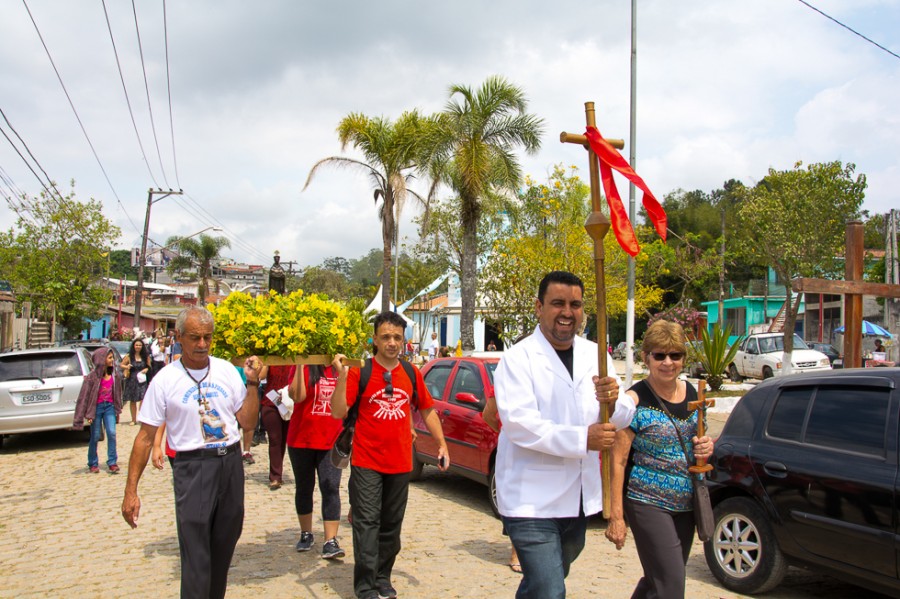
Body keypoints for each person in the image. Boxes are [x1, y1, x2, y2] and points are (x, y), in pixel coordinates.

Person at [494, 270, 635, 599]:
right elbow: (520, 424)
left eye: (575, 304)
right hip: (531, 500)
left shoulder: (595, 356)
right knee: (549, 588)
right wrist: (582, 439)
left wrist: (613, 400)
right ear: (539, 307)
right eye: (558, 303)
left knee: (545, 582)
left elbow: (623, 415)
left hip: (578, 499)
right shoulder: (518, 359)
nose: (567, 312)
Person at [121, 306, 262, 599]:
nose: (202, 344)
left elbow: (248, 422)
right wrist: (131, 491)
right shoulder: (165, 380)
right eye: (195, 337)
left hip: (230, 464)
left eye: (207, 337)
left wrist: (251, 383)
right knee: (196, 552)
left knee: (225, 543)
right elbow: (145, 438)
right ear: (179, 336)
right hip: (193, 466)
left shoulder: (226, 371)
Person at [331, 311, 450, 599]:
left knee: (391, 526)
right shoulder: (361, 371)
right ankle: (365, 585)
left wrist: (442, 444)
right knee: (367, 523)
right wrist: (341, 377)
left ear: (404, 340)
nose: (392, 342)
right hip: (367, 462)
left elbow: (427, 410)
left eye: (397, 337)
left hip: (400, 463)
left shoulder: (410, 373)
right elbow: (337, 412)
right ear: (375, 339)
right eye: (386, 337)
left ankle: (383, 577)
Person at [605, 320, 715, 599]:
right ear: (646, 358)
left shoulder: (693, 393)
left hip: (687, 503)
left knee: (659, 580)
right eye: (659, 355)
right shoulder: (634, 401)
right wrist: (616, 516)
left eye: (675, 355)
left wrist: (706, 447)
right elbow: (618, 460)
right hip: (648, 502)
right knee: (671, 583)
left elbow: (699, 439)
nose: (668, 362)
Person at [286, 363, 346, 558]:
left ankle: (330, 540)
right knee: (304, 486)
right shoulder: (302, 366)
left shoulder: (339, 366)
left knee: (330, 486)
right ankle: (306, 533)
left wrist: (342, 372)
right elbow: (297, 396)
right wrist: (299, 362)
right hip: (301, 438)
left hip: (331, 439)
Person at [481, 393, 520, 574]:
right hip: (515, 448)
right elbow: (488, 414)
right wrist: (505, 432)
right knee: (516, 499)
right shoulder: (504, 381)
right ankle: (516, 553)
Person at [73, 348, 124, 473]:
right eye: (109, 358)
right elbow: (84, 397)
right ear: (101, 359)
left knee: (111, 433)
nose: (112, 360)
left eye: (112, 357)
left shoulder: (115, 375)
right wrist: (87, 414)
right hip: (96, 408)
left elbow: (118, 393)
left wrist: (118, 408)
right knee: (95, 436)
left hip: (109, 407)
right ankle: (93, 462)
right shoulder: (92, 377)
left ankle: (112, 462)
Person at [258, 363, 296, 489]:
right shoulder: (271, 359)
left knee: (284, 439)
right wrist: (265, 362)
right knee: (275, 439)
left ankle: (280, 470)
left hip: (289, 402)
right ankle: (275, 476)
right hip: (272, 400)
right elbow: (261, 376)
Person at [121, 338, 150, 425]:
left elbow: (149, 366)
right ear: (133, 346)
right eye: (136, 345)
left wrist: (146, 369)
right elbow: (121, 364)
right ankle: (133, 419)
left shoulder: (145, 356)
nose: (138, 347)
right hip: (132, 379)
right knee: (133, 400)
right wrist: (127, 367)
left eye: (140, 345)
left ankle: (142, 417)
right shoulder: (129, 356)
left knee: (143, 399)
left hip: (142, 380)